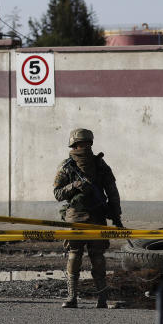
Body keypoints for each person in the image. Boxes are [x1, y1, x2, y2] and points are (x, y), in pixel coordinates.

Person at [53, 128, 123, 308]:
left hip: (86, 217)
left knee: (86, 256)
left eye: (84, 144)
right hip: (86, 217)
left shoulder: (90, 164)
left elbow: (58, 193)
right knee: (86, 256)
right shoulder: (79, 165)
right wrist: (75, 185)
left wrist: (116, 214)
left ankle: (88, 299)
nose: (82, 147)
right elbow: (58, 194)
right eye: (82, 144)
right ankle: (84, 298)